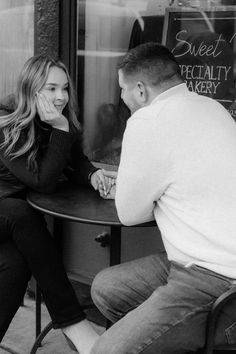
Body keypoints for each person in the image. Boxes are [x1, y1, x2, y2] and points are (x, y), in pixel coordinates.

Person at [90, 42, 236, 353]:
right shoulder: (213, 108)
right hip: (194, 262)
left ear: (140, 91)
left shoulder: (147, 121)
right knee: (107, 287)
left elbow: (128, 213)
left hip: (217, 281)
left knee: (105, 351)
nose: (122, 98)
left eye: (123, 90)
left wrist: (145, 188)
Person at [0, 54, 114, 354]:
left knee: (17, 264)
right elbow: (42, 181)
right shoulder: (5, 123)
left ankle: (71, 323)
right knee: (18, 209)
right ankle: (73, 323)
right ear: (31, 89)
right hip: (8, 215)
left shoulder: (56, 120)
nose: (61, 96)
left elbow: (73, 160)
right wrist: (61, 128)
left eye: (64, 88)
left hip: (16, 228)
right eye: (51, 89)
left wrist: (92, 174)